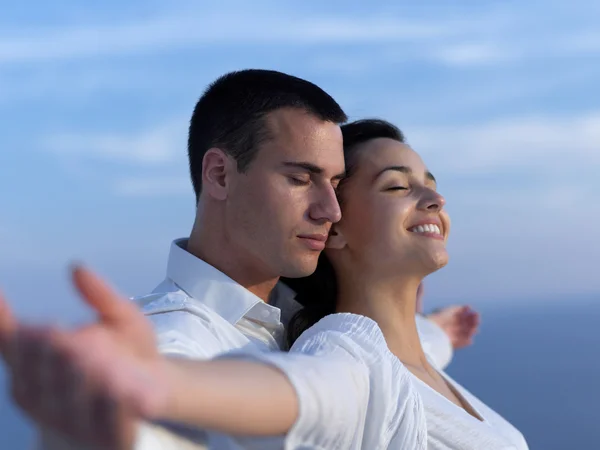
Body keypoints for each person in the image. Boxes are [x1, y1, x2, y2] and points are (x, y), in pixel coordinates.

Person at [0, 119, 528, 449]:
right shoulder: (348, 351)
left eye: (432, 186)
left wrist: (435, 332)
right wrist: (159, 387)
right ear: (337, 226)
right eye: (397, 186)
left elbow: (411, 358)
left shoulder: (417, 355)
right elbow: (316, 392)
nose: (434, 200)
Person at [39, 68, 349, 449]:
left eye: (335, 183)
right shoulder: (168, 343)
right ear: (219, 174)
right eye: (301, 179)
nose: (331, 210)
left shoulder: (306, 323)